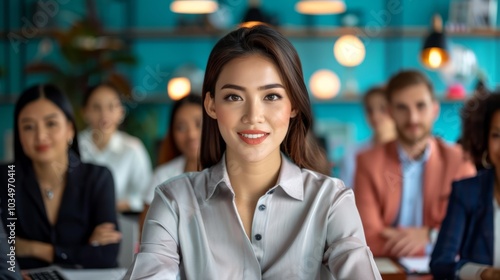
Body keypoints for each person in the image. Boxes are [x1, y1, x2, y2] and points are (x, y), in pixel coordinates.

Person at [125, 25, 381, 279]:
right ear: (211, 105)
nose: (253, 117)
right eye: (234, 97)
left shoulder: (331, 201)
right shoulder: (173, 200)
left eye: (271, 96)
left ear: (293, 105)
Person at [354, 70, 476, 257]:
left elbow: (472, 234)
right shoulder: (368, 162)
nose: (413, 118)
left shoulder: (460, 161)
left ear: (435, 109)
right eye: (402, 107)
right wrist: (437, 240)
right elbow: (366, 238)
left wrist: (431, 235)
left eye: (421, 106)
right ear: (390, 112)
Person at [0, 84, 121, 269]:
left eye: (51, 124)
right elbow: (4, 253)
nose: (40, 136)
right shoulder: (6, 178)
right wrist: (80, 250)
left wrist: (31, 248)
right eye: (29, 127)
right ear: (19, 135)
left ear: (70, 129)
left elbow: (105, 255)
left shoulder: (98, 178)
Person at [430, 92, 500, 280]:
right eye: (496, 135)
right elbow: (440, 263)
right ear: (484, 139)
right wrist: (484, 273)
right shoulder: (467, 191)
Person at [78, 83, 152, 212]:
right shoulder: (74, 146)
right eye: (96, 107)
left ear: (121, 112)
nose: (104, 114)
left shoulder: (133, 148)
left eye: (111, 107)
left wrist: (120, 204)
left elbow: (147, 196)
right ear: (84, 112)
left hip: (121, 224)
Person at [138, 94, 203, 234]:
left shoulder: (231, 172)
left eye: (200, 124)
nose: (191, 134)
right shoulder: (163, 175)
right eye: (181, 127)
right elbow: (146, 231)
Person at [339, 85, 396, 188]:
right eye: (370, 110)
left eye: (383, 109)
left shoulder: (408, 154)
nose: (375, 116)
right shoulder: (353, 154)